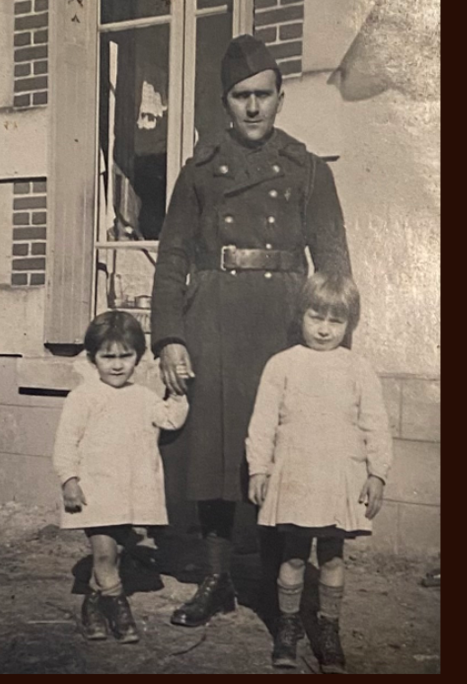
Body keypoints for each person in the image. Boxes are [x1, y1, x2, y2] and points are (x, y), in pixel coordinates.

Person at [150, 34, 353, 628]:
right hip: (211, 317)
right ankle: (216, 580)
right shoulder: (200, 170)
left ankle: (274, 583)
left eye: (264, 95)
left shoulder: (308, 170)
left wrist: (337, 350)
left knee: (283, 451)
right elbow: (172, 257)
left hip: (285, 324)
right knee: (215, 451)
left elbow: (336, 266)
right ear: (225, 102)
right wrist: (169, 337)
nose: (254, 107)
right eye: (241, 97)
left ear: (281, 97)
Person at [246, 272, 391, 672]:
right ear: (301, 316)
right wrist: (259, 468)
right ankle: (288, 627)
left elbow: (375, 424)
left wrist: (377, 473)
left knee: (332, 555)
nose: (325, 329)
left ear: (349, 324)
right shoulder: (282, 365)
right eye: (316, 317)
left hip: (339, 476)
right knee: (293, 555)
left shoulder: (358, 369)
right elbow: (263, 423)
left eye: (335, 321)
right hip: (296, 473)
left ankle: (329, 629)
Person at [53, 311, 189, 643]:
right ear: (92, 358)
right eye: (107, 356)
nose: (116, 365)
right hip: (94, 490)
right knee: (102, 554)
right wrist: (69, 479)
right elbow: (65, 442)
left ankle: (93, 607)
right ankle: (120, 611)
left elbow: (170, 419)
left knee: (114, 554)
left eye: (125, 356)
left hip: (127, 492)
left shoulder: (143, 397)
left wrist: (180, 392)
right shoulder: (82, 397)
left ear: (138, 358)